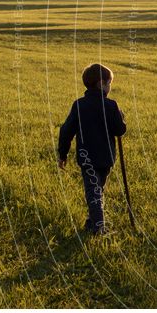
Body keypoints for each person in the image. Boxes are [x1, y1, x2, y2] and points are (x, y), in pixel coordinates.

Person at [57, 63, 127, 235]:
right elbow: (120, 130)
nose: (110, 86)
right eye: (109, 83)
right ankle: (98, 227)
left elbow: (66, 130)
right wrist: (121, 118)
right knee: (97, 190)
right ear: (101, 83)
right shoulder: (111, 105)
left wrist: (62, 153)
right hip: (105, 157)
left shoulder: (79, 105)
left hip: (86, 157)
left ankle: (92, 223)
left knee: (95, 190)